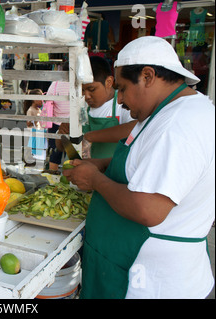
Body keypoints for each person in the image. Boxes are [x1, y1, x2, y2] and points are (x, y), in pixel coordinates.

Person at [64, 36, 215, 299]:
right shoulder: (165, 112)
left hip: (152, 283)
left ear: (147, 76)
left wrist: (96, 180)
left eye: (122, 88)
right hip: (136, 267)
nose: (120, 99)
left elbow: (148, 209)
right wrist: (101, 164)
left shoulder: (178, 124)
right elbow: (145, 160)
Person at [59, 55, 136, 159]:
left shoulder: (122, 103)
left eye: (92, 89)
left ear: (108, 82)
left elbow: (134, 129)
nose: (86, 96)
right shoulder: (81, 106)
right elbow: (61, 148)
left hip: (108, 173)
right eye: (82, 90)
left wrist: (89, 137)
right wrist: (62, 134)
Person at [45, 81, 70, 170]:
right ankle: (70, 179)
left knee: (55, 151)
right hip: (71, 123)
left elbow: (48, 99)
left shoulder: (55, 83)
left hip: (55, 122)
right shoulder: (77, 83)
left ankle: (53, 176)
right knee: (71, 152)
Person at [24, 89, 47, 162]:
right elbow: (28, 123)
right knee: (33, 151)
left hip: (38, 132)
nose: (41, 101)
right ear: (34, 99)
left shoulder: (38, 109)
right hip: (33, 133)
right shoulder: (30, 110)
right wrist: (37, 119)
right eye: (40, 99)